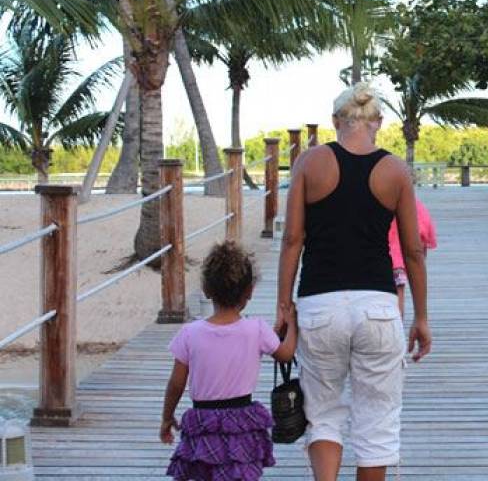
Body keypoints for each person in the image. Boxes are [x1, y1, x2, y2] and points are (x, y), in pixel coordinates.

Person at [274, 82, 431, 481]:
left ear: (335, 121)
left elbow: (293, 239)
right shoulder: (395, 170)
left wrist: (283, 306)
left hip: (318, 306)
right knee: (376, 423)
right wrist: (421, 317)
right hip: (377, 306)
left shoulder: (309, 163)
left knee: (323, 415)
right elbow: (413, 252)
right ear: (377, 122)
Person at [160, 241, 298, 481]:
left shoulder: (189, 333)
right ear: (250, 292)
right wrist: (292, 324)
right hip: (241, 423)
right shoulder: (257, 329)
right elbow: (286, 353)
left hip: (203, 424)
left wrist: (167, 417)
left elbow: (176, 384)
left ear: (206, 289)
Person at [388, 198, 437, 317]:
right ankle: (397, 326)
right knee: (398, 295)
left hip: (379, 256)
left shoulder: (375, 200)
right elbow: (423, 232)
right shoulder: (411, 204)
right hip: (400, 259)